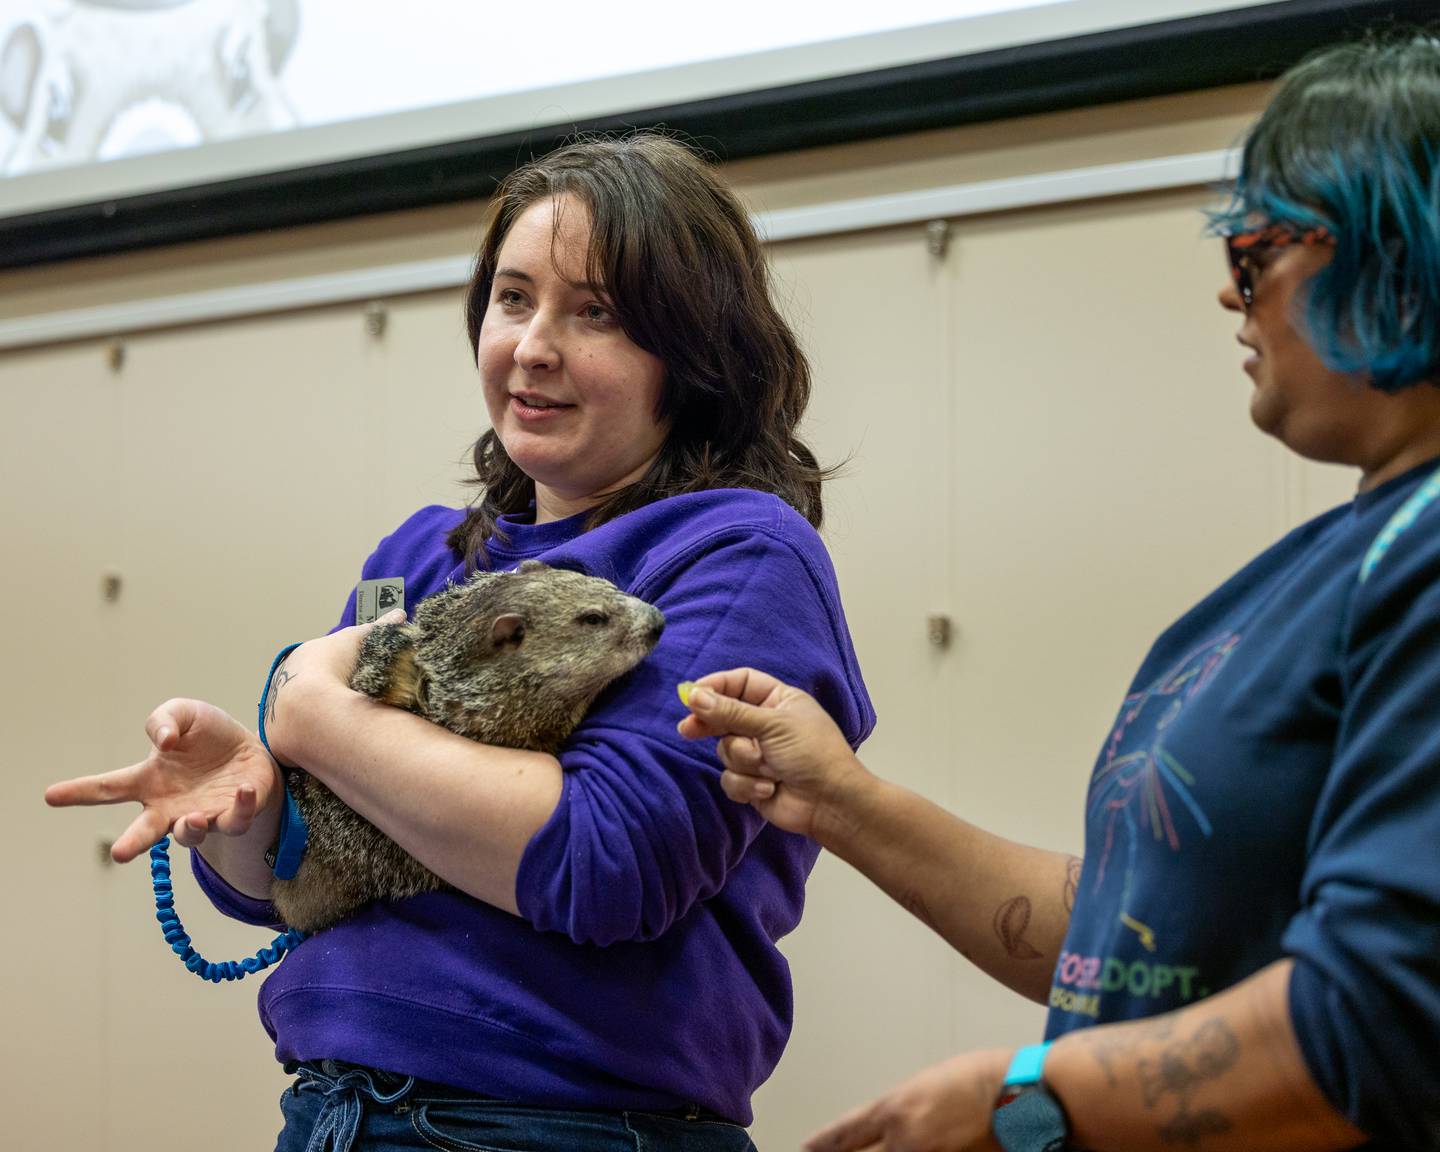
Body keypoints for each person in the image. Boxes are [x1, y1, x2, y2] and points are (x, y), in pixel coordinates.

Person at [678, 33, 1440, 1152]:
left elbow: (1383, 1015)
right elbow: (1143, 942)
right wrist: (838, 798)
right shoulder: (1334, 561)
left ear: (1399, 249)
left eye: (1257, 250)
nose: (1231, 293)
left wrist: (1026, 1104)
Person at [45, 133, 875, 1151]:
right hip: (332, 1109)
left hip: (563, 1123)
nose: (532, 345)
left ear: (693, 352)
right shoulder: (423, 556)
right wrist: (244, 815)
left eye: (596, 312)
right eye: (513, 298)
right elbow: (309, 880)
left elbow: (605, 859)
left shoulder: (739, 552)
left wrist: (313, 714)